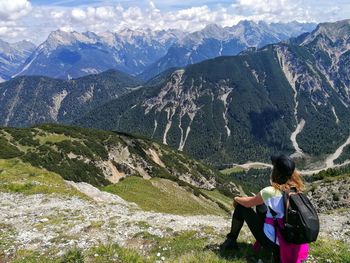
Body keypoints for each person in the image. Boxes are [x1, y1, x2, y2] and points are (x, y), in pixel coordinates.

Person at [219, 154, 308, 263]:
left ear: (276, 171)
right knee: (261, 205)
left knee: (241, 207)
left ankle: (231, 240)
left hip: (274, 243)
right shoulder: (296, 190)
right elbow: (258, 200)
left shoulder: (270, 191)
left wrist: (237, 198)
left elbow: (248, 204)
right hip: (293, 240)